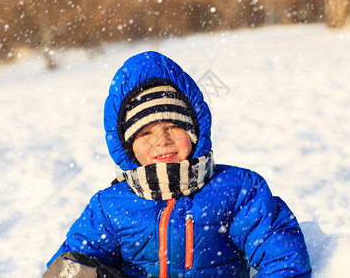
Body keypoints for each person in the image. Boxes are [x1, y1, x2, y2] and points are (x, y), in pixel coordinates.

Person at [44, 51, 312, 277]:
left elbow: (284, 258)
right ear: (127, 147)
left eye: (172, 125)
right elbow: (69, 265)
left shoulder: (236, 190)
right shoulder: (110, 206)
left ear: (195, 132)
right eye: (145, 133)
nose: (162, 141)